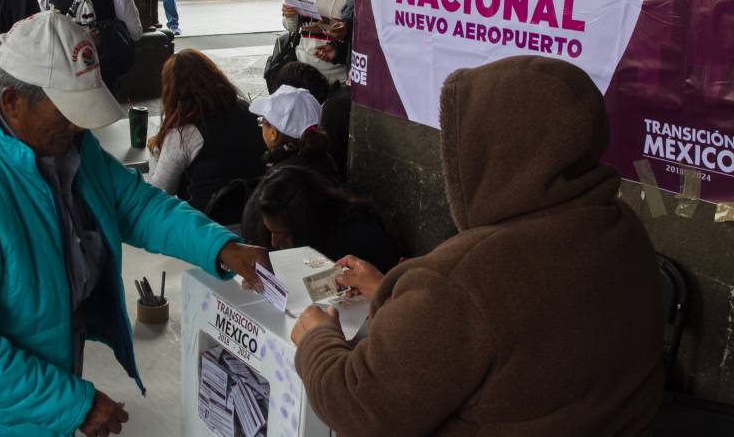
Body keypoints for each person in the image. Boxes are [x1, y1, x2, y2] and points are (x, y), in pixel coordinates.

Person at [0, 11, 271, 437]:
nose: (78, 126)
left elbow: (135, 205)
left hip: (44, 390)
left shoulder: (66, 144)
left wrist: (221, 247)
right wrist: (74, 402)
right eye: (67, 112)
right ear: (12, 103)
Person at [291, 56, 665, 436]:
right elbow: (510, 333)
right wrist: (389, 292)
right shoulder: (620, 226)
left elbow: (360, 406)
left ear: (487, 151)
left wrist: (316, 339)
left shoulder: (461, 281)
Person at [148, 49, 265, 217]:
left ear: (172, 90)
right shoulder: (245, 108)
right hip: (253, 215)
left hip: (207, 226)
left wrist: (156, 150)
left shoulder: (185, 133)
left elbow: (159, 192)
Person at [241, 84, 338, 246]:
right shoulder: (326, 161)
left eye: (262, 122)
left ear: (273, 133)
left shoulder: (278, 183)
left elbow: (253, 233)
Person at [255, 166, 400, 273]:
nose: (274, 242)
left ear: (305, 224)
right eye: (270, 232)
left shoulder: (356, 239)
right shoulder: (318, 234)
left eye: (283, 234)